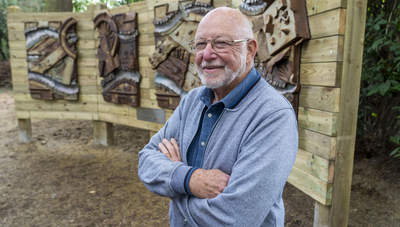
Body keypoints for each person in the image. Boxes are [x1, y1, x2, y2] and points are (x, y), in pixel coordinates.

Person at [138, 7, 298, 227]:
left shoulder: (273, 116)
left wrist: (175, 186)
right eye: (200, 44)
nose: (207, 54)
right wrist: (189, 179)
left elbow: (233, 218)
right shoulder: (191, 101)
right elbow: (146, 161)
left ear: (250, 50)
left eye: (221, 43)